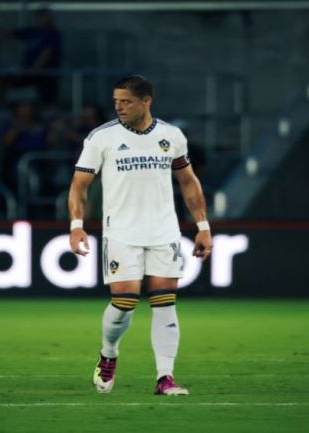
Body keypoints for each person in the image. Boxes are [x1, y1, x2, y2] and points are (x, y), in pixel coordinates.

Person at [67, 75, 213, 396]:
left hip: (164, 230)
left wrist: (203, 227)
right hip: (121, 231)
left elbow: (188, 182)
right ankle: (108, 353)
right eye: (116, 101)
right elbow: (80, 185)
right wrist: (76, 225)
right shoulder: (101, 138)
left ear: (146, 101)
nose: (118, 106)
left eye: (126, 101)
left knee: (164, 302)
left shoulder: (171, 136)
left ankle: (165, 377)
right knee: (125, 301)